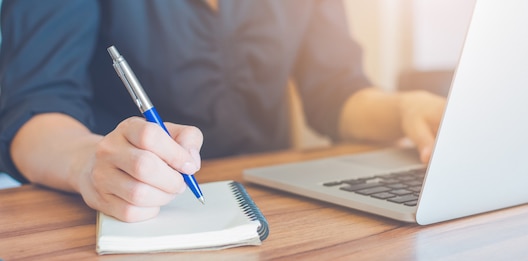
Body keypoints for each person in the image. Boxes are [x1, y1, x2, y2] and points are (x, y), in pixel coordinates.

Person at [0, 0, 445, 222]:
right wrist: (85, 164)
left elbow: (335, 91)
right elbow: (35, 109)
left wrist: (407, 108)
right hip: (129, 212)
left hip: (273, 210)